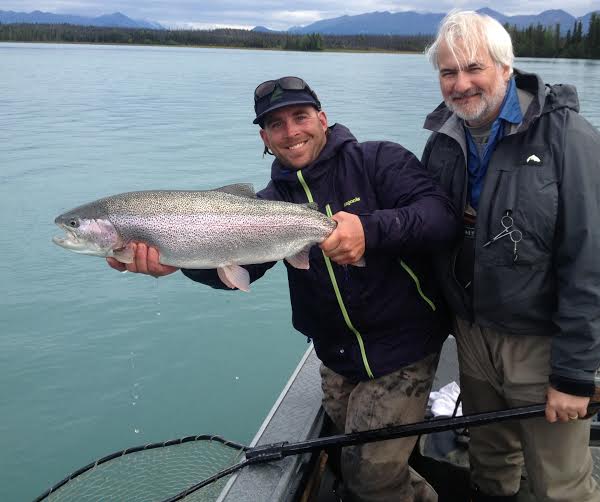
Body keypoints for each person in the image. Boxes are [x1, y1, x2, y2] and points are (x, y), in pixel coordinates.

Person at [108, 76, 460, 501]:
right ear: (264, 138)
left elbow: (440, 218)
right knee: (356, 460)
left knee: (370, 474)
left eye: (300, 116)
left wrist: (370, 230)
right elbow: (243, 271)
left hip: (405, 348)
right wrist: (177, 262)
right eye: (276, 125)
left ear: (323, 118)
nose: (291, 132)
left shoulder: (378, 160)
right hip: (337, 358)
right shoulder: (267, 204)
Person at [421, 10, 600, 502]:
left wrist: (574, 375)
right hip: (473, 335)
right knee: (491, 459)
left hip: (541, 342)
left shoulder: (569, 138)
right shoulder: (441, 141)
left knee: (560, 480)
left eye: (473, 68)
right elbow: (423, 231)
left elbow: (589, 263)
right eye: (448, 72)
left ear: (506, 67)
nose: (460, 84)